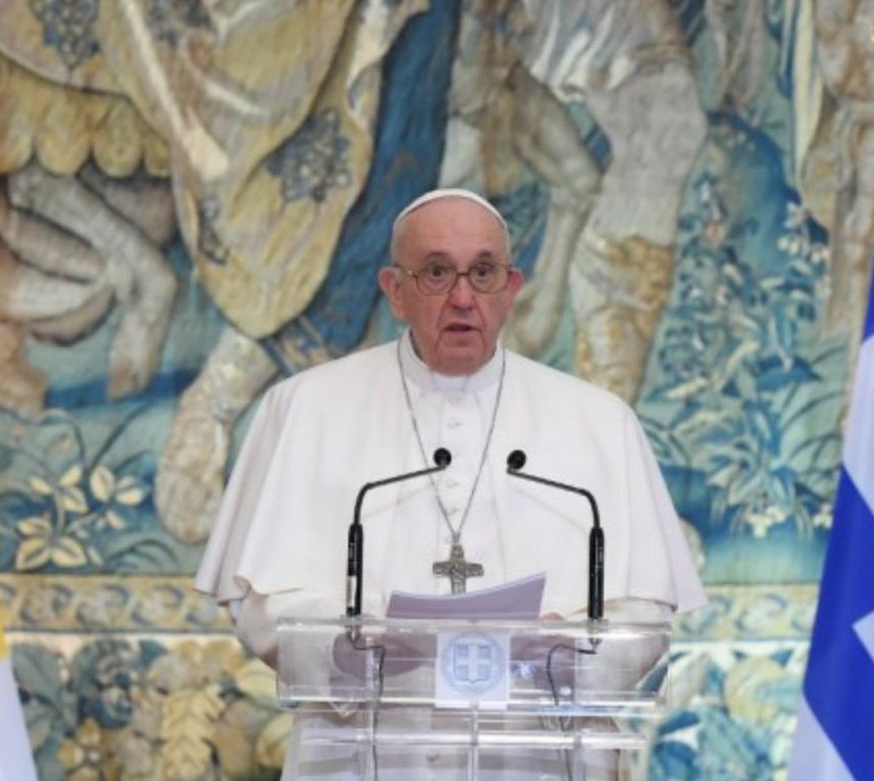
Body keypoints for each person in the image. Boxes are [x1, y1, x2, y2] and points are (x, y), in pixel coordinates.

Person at [194, 188, 705, 777]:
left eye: (483, 273)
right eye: (437, 273)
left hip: (539, 763)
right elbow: (259, 602)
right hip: (365, 761)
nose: (463, 297)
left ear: (511, 290)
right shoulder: (306, 407)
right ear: (394, 291)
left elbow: (646, 612)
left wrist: (566, 652)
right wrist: (356, 645)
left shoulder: (599, 420)